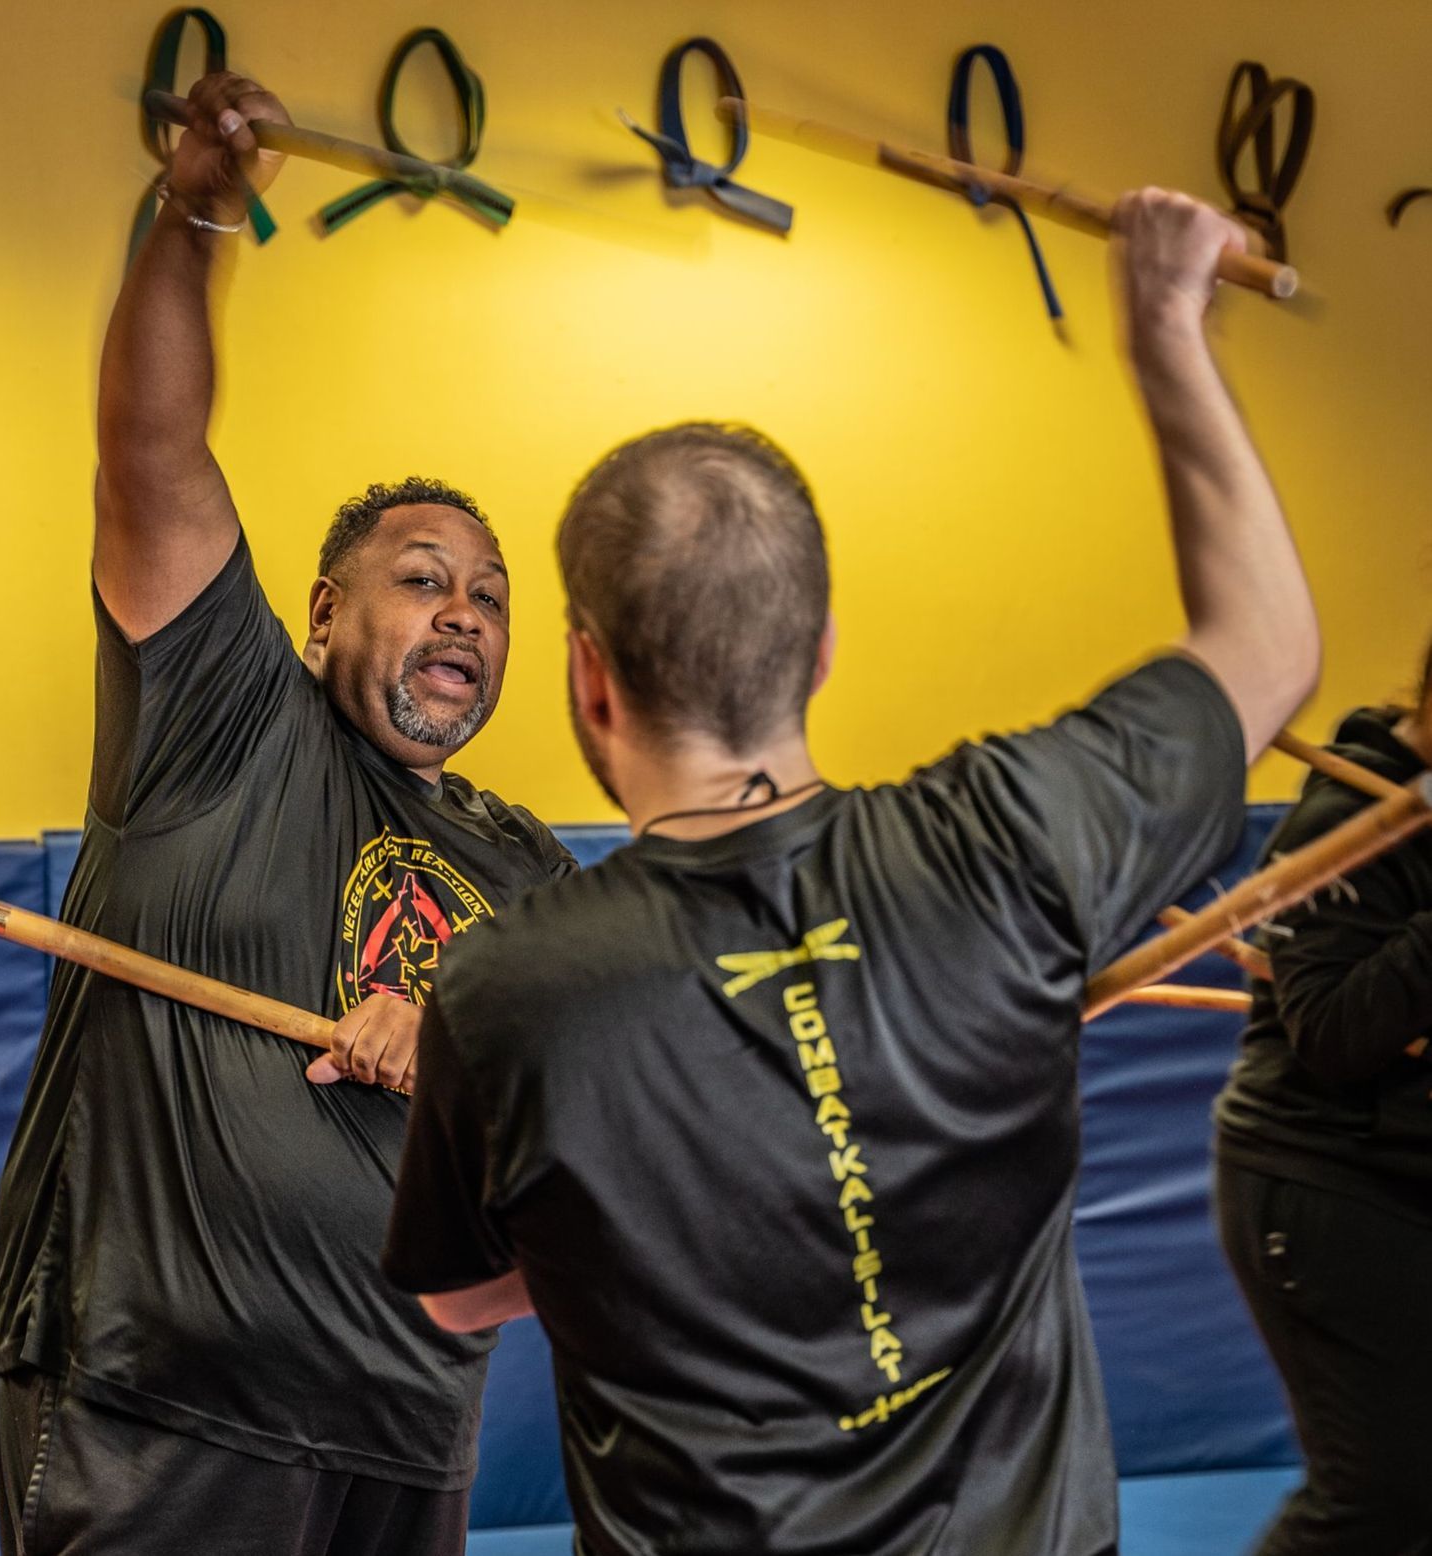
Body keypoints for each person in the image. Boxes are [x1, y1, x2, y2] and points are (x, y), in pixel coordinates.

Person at [381, 190, 1321, 1556]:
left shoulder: (505, 991)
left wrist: (656, 1239)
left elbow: (460, 1303)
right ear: (820, 649)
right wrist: (1165, 328)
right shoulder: (1005, 840)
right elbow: (1271, 645)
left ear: (589, 677)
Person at [0, 73, 571, 1556]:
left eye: (492, 598)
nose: (464, 616)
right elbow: (153, 456)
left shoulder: (534, 866)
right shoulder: (222, 720)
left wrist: (458, 1053)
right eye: (425, 577)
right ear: (321, 614)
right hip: (161, 1410)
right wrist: (192, 218)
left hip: (409, 1429)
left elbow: (597, 1117)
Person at [1214, 667, 1432, 1556]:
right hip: (1329, 1183)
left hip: (1406, 1176)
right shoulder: (1347, 817)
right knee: (1381, 1498)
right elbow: (1332, 1032)